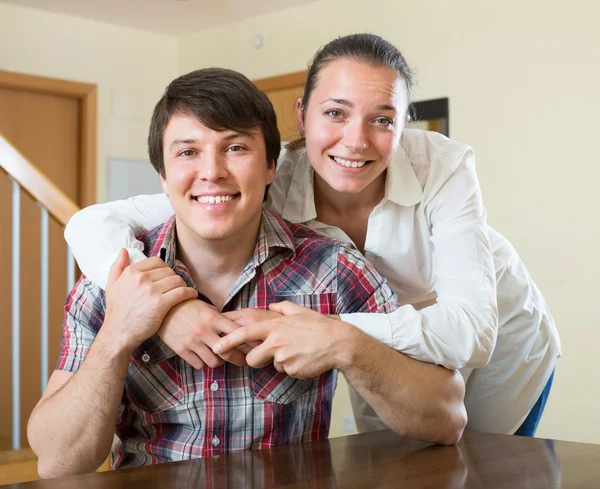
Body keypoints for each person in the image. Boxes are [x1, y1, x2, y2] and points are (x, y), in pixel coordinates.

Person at [64, 33, 560, 436]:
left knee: (486, 464)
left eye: (382, 119)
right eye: (335, 113)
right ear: (301, 115)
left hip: (500, 334)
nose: (355, 140)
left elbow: (471, 334)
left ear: (405, 123)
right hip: (395, 340)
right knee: (399, 453)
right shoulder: (262, 176)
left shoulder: (445, 166)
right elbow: (92, 223)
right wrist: (166, 308)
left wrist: (336, 334)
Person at [27, 67, 467, 478]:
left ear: (271, 165)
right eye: (188, 152)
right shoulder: (112, 281)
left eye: (235, 148)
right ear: (162, 175)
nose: (212, 172)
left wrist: (345, 343)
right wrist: (117, 335)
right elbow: (58, 463)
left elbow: (447, 419)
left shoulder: (335, 268)